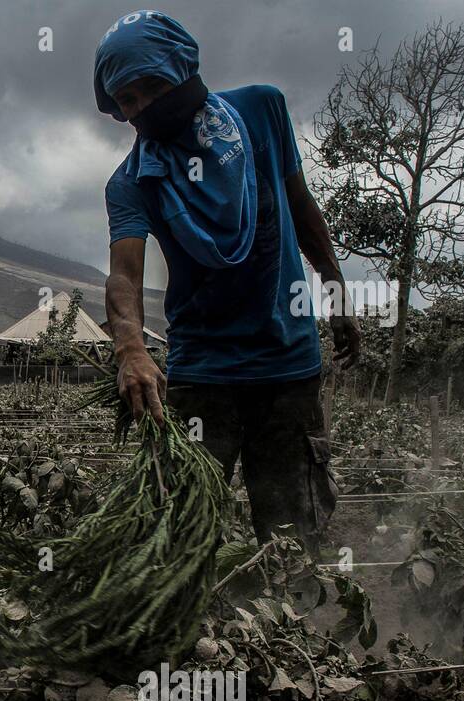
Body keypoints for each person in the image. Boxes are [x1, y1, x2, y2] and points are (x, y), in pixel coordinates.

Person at [94, 9, 361, 555]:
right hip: (202, 377)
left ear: (184, 70)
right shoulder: (131, 183)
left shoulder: (261, 111)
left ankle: (295, 632)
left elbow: (302, 208)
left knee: (293, 538)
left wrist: (336, 294)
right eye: (128, 100)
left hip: (286, 367)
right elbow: (124, 273)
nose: (143, 107)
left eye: (153, 87)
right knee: (182, 537)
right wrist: (131, 349)